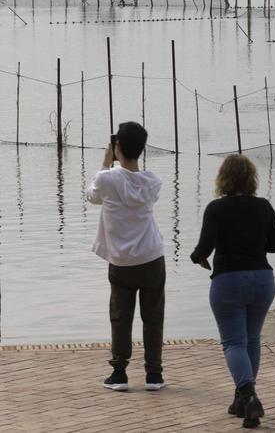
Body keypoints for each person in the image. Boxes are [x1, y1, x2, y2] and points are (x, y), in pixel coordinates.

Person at [191, 154, 275, 429]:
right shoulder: (264, 206)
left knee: (233, 343)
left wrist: (196, 257)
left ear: (223, 179)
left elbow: (204, 248)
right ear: (251, 178)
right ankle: (241, 402)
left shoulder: (216, 209)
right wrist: (253, 241)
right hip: (262, 280)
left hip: (228, 281)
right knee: (251, 340)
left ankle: (249, 395)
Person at [86, 121, 166, 392]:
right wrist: (119, 158)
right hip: (152, 257)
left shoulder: (105, 179)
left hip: (121, 262)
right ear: (142, 149)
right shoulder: (153, 181)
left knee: (121, 317)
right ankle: (154, 375)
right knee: (153, 317)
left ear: (117, 146)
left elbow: (92, 197)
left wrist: (106, 161)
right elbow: (136, 182)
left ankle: (119, 373)